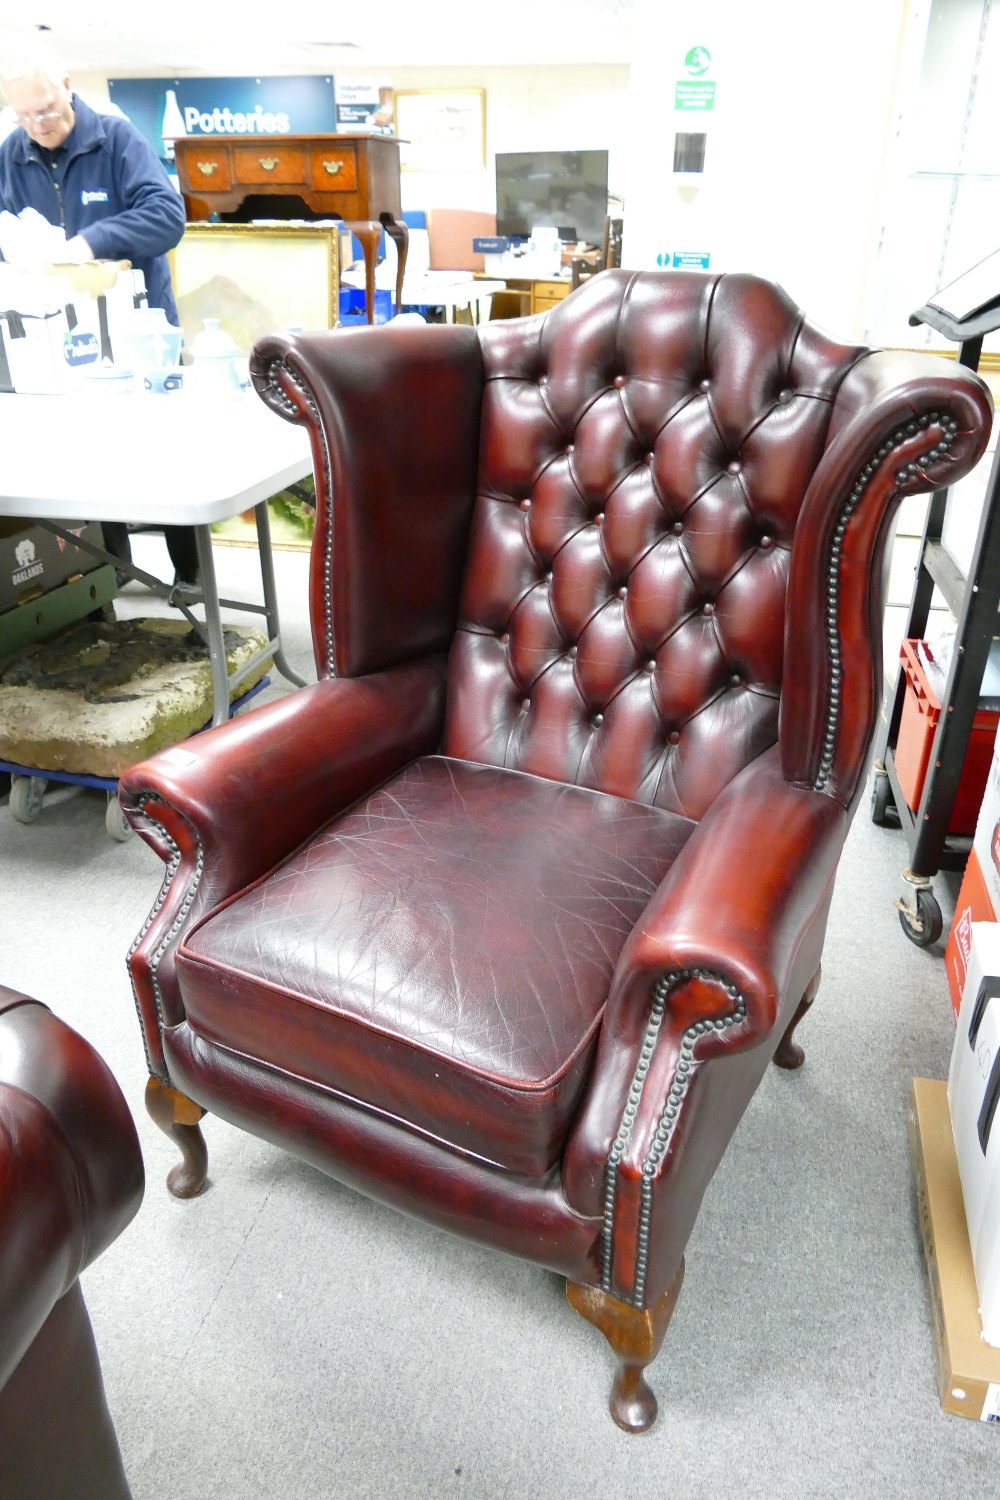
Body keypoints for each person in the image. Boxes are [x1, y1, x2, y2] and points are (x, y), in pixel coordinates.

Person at [0, 45, 200, 586]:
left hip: (141, 332)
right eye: (25, 115)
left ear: (67, 85)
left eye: (46, 108)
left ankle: (192, 573)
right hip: (63, 341)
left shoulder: (116, 139)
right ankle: (112, 571)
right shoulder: (11, 154)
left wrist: (90, 242)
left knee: (164, 456)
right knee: (90, 461)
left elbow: (166, 217)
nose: (39, 124)